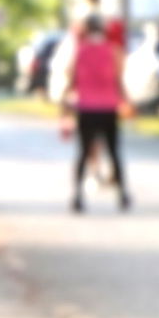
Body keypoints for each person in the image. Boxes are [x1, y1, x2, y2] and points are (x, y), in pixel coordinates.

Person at [61, 11, 130, 211]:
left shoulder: (80, 51)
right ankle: (122, 194)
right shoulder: (113, 50)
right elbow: (119, 80)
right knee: (114, 152)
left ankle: (77, 196)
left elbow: (71, 80)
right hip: (108, 107)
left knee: (83, 152)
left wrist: (64, 106)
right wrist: (127, 101)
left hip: (86, 108)